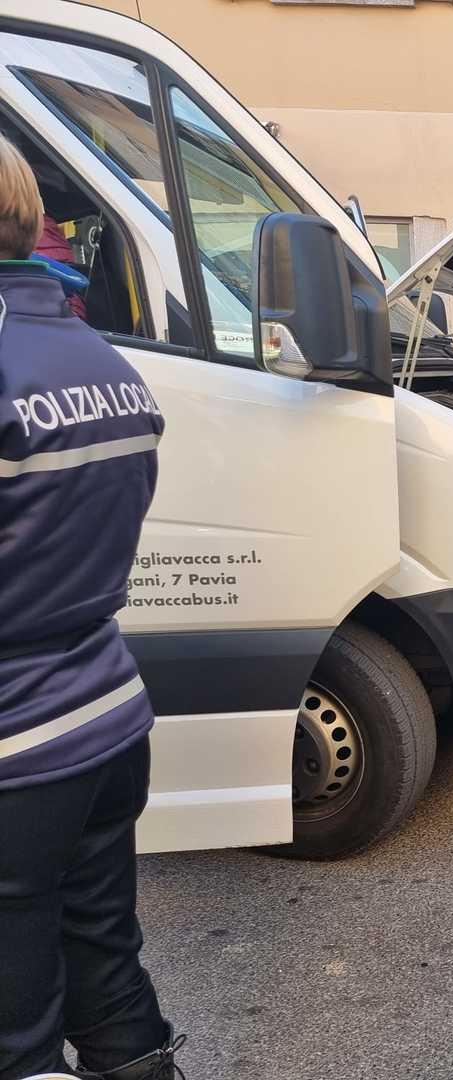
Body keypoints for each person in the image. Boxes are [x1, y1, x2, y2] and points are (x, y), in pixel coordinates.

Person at [0, 138, 181, 1078]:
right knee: (105, 970)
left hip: (16, 749)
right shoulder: (98, 355)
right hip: (106, 718)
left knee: (16, 1037)